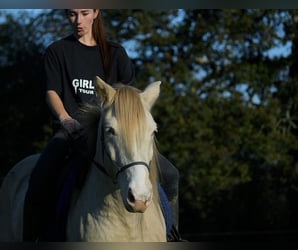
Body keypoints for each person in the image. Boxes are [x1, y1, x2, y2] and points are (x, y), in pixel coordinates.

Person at [23, 9, 181, 241]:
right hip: (73, 131)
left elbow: (131, 101)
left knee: (170, 174)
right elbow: (52, 93)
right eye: (71, 14)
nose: (78, 20)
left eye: (84, 13)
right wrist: (66, 119)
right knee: (41, 175)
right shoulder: (57, 51)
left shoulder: (116, 54)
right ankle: (34, 237)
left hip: (114, 133)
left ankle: (173, 234)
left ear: (96, 12)